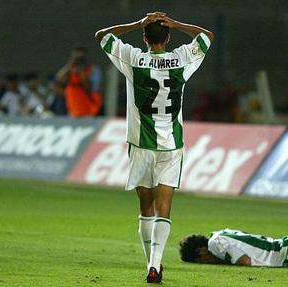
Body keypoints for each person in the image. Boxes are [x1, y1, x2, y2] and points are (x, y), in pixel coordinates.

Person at [95, 12, 214, 283]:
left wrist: (137, 23)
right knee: (164, 208)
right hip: (171, 146)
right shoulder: (183, 59)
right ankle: (154, 265)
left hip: (140, 145)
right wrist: (178, 23)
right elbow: (207, 37)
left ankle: (151, 263)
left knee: (145, 208)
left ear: (144, 38)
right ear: (169, 37)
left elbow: (101, 35)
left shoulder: (133, 58)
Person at [55, 47, 103, 117]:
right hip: (73, 109)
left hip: (89, 110)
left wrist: (81, 71)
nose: (79, 60)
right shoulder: (70, 69)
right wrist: (70, 64)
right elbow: (58, 80)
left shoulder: (93, 70)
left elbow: (91, 88)